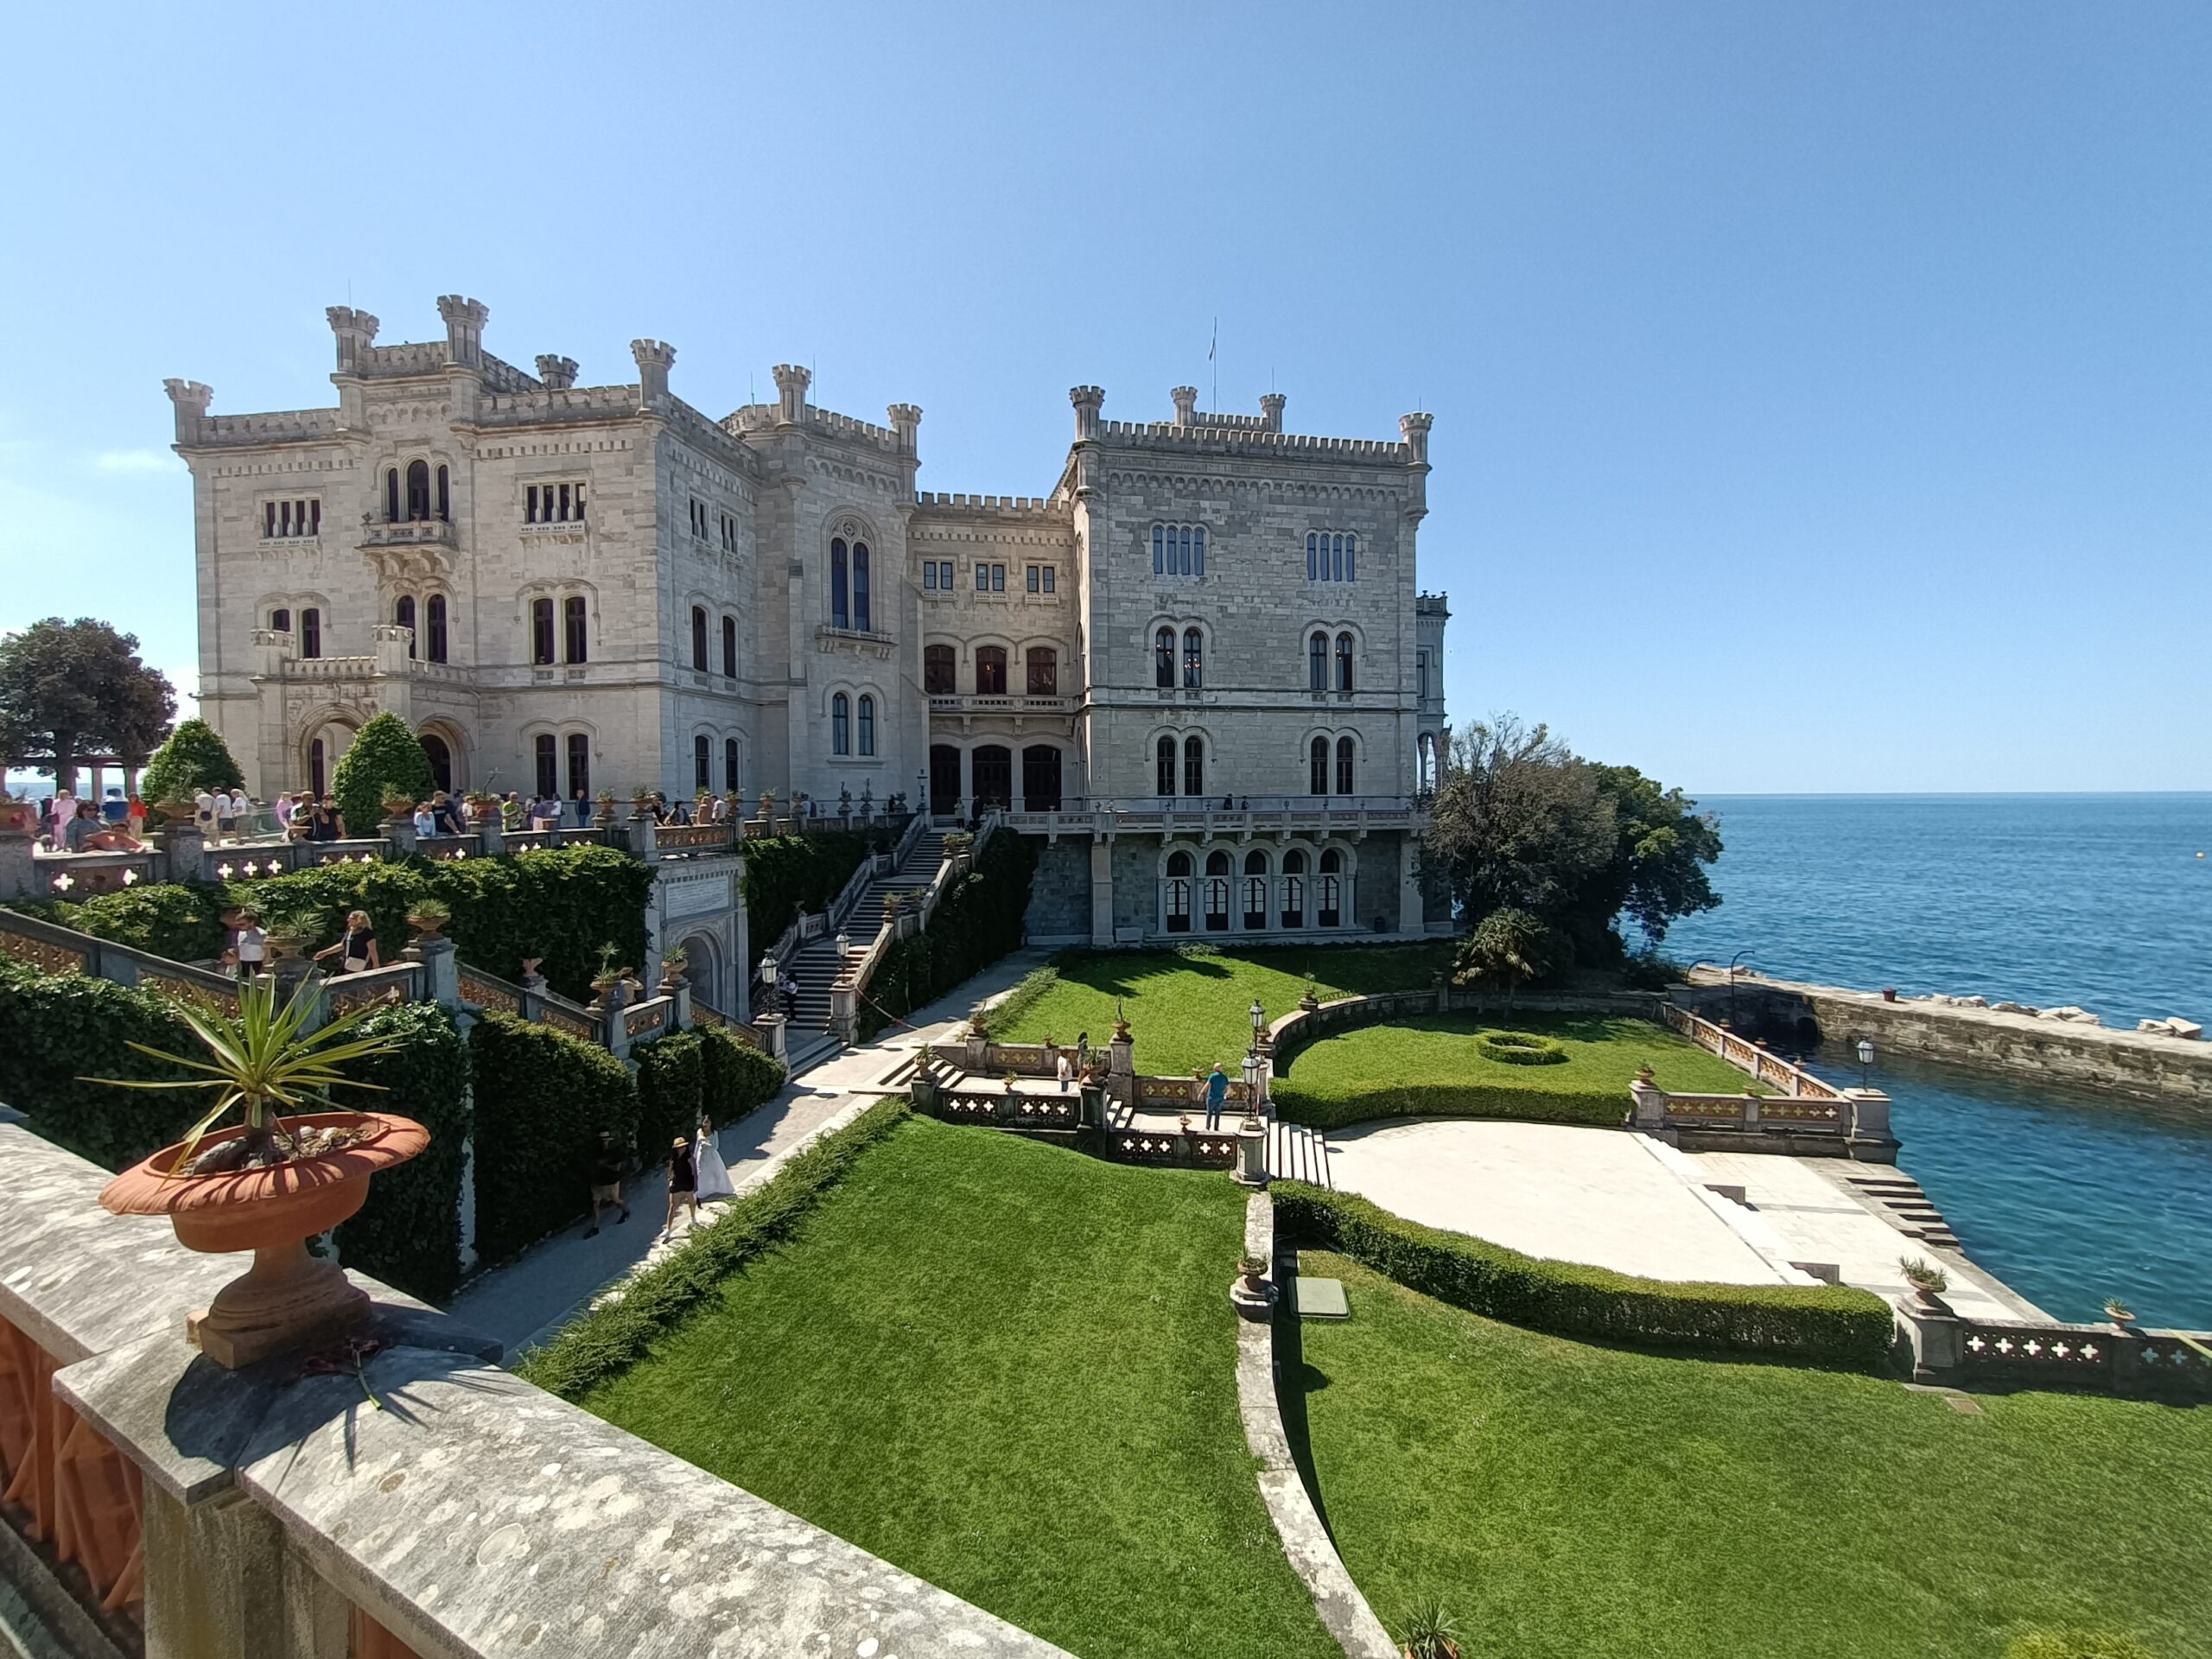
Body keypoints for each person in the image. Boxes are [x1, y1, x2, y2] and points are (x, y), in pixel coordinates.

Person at [583, 1130, 631, 1236]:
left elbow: (617, 1167)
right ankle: (595, 1227)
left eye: (605, 1141)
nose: (604, 1143)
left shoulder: (614, 1153)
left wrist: (604, 1165)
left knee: (615, 1199)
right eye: (602, 1141)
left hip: (610, 1180)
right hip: (598, 1180)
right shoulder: (597, 1152)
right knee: (596, 1203)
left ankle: (626, 1212)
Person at [315, 909, 379, 975]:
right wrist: (324, 953)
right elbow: (342, 945)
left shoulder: (367, 932)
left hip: (362, 965)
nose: (348, 920)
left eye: (351, 918)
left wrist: (376, 964)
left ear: (358, 920)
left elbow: (372, 949)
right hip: (348, 964)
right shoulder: (350, 932)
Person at [662, 1135, 698, 1240]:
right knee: (673, 1206)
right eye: (680, 1147)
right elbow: (671, 1168)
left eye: (683, 1146)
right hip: (676, 1182)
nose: (682, 1148)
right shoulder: (673, 1158)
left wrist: (695, 1182)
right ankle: (668, 1230)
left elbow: (694, 1169)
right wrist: (670, 1179)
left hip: (687, 1181)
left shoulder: (689, 1157)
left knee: (691, 1202)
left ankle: (693, 1218)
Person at [693, 1114, 735, 1202]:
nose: (706, 1124)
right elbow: (698, 1143)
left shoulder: (714, 1133)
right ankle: (703, 1193)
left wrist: (705, 1143)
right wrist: (695, 1155)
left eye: (708, 1122)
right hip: (702, 1157)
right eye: (704, 1122)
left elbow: (715, 1146)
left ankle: (721, 1189)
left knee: (717, 1173)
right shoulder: (700, 1131)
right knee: (702, 1174)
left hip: (712, 1156)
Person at [228, 909, 267, 981]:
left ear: (251, 922)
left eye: (242, 924)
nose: (240, 927)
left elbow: (267, 952)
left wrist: (264, 968)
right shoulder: (241, 934)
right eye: (238, 925)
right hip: (243, 965)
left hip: (258, 965)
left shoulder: (262, 934)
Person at [1205, 1062, 1230, 1128]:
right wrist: (1226, 1094)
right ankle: (1216, 1128)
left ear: (1215, 1068)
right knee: (1217, 1114)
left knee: (1209, 1113)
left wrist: (1200, 1092)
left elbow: (1207, 1085)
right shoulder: (1224, 1077)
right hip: (1220, 1098)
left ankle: (1208, 1127)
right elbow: (1228, 1088)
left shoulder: (1212, 1076)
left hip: (1211, 1097)